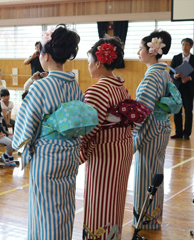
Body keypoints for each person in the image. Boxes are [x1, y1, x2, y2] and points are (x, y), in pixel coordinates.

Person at [12, 24, 83, 240]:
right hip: (70, 153)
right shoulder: (74, 85)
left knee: (45, 210)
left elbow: (25, 127)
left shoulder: (40, 87)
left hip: (48, 157)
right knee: (64, 207)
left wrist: (21, 149)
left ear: (46, 56)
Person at [80, 38, 133, 240]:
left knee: (100, 199)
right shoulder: (120, 86)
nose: (88, 66)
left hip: (105, 152)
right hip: (122, 145)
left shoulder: (97, 90)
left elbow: (88, 128)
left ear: (99, 62)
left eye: (89, 62)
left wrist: (78, 153)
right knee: (115, 199)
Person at [133, 30, 172, 229]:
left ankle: (145, 221)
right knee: (157, 174)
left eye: (140, 48)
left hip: (149, 131)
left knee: (145, 176)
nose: (138, 52)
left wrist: (132, 136)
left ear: (152, 50)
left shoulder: (152, 76)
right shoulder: (164, 72)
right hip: (163, 127)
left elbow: (142, 109)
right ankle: (153, 218)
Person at [170, 38, 194, 140]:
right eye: (183, 44)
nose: (184, 46)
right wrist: (176, 76)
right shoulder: (176, 58)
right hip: (178, 88)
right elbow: (171, 72)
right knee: (177, 111)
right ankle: (178, 132)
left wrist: (189, 77)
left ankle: (186, 133)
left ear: (191, 46)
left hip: (189, 89)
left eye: (187, 45)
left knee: (188, 112)